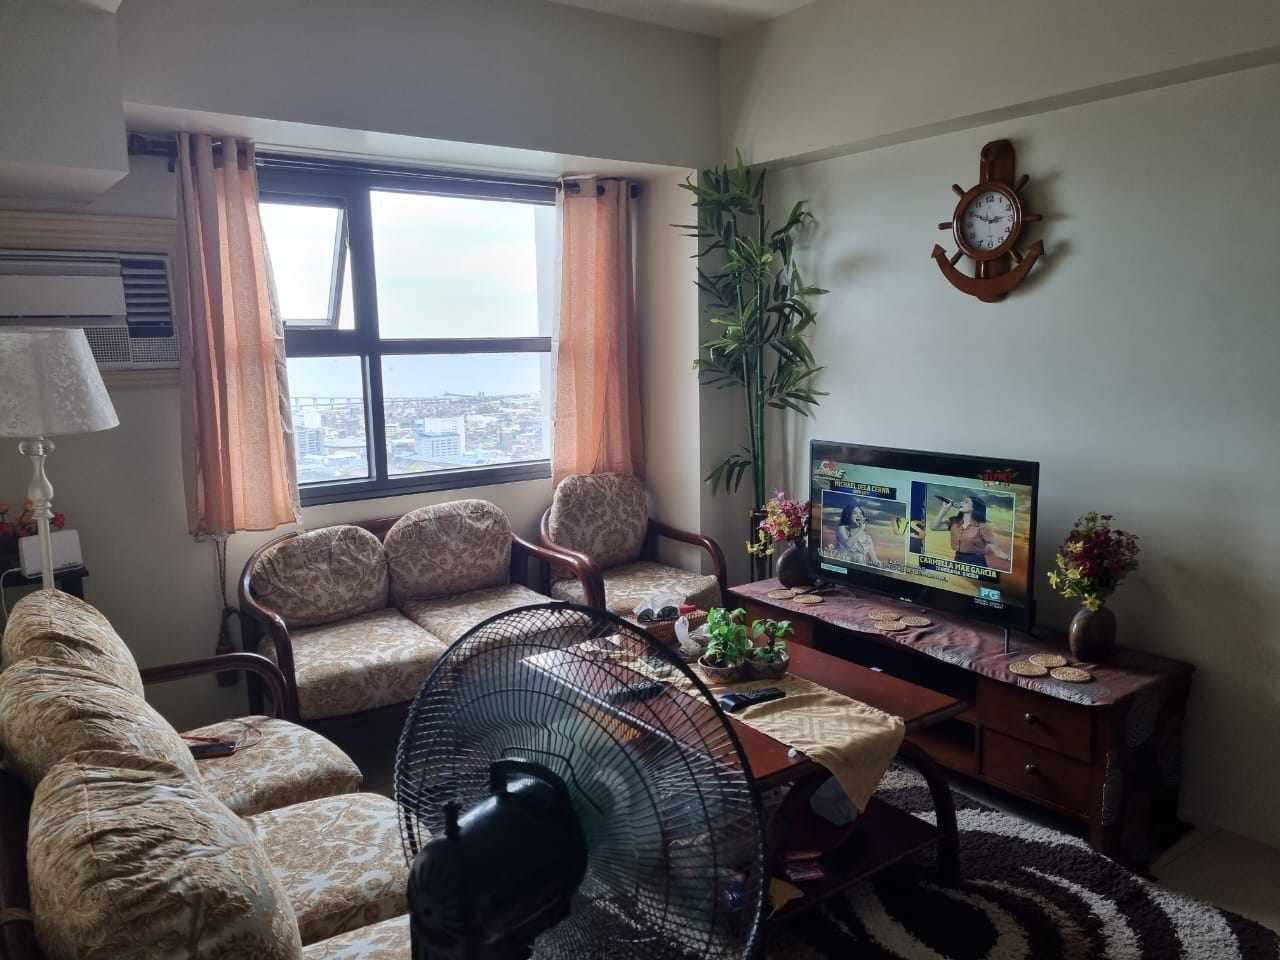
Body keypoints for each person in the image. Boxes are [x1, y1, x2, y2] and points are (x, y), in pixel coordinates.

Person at [931, 494, 1010, 568]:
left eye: (966, 502)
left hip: (976, 562)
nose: (961, 503)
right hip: (958, 559)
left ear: (974, 507)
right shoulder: (954, 522)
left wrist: (1002, 555)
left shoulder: (982, 526)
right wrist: (944, 510)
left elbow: (992, 544)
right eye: (962, 501)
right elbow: (934, 527)